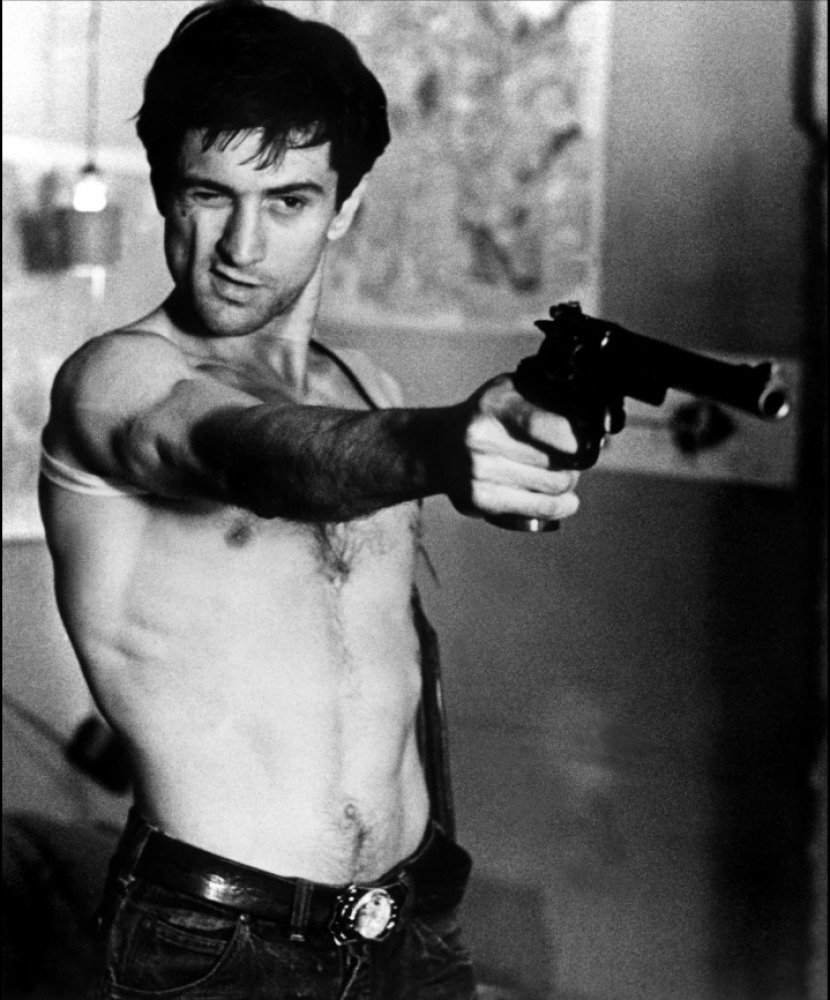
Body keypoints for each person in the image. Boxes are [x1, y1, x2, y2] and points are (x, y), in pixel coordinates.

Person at [38, 2, 581, 997]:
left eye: (287, 201)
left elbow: (387, 662)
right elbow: (240, 448)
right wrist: (433, 446)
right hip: (220, 945)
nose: (241, 245)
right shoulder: (115, 379)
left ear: (345, 205)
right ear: (164, 192)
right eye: (210, 195)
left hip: (411, 924)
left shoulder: (364, 386)